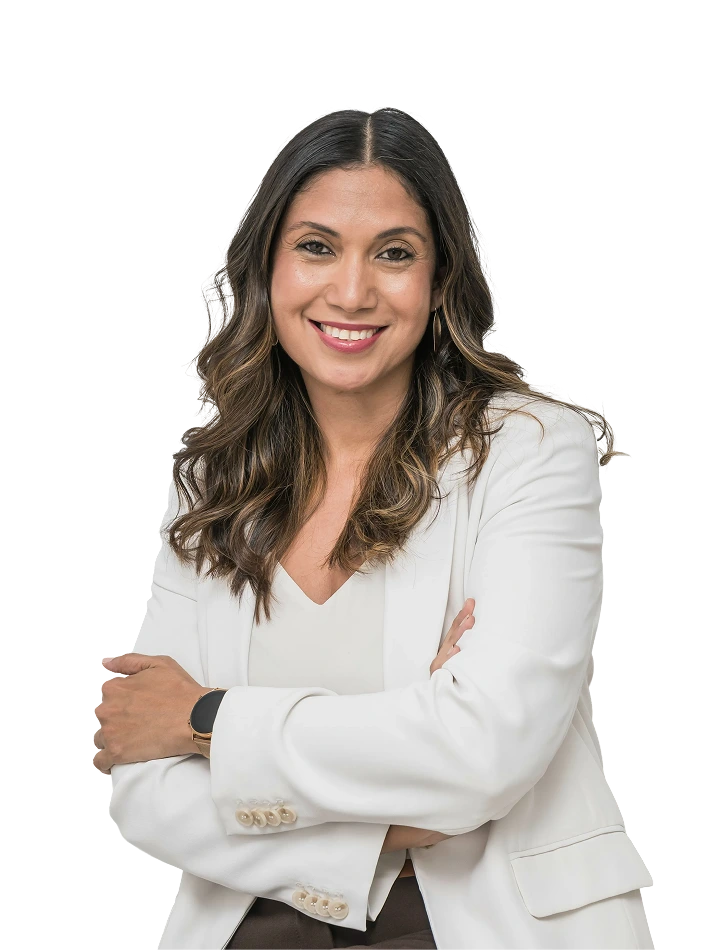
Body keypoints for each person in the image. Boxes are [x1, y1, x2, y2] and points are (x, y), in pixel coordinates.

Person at [93, 108, 655, 949]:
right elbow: (139, 782)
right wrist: (390, 817)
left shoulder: (530, 450)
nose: (352, 292)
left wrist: (206, 719)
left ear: (440, 279)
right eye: (317, 247)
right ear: (268, 268)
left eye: (394, 253)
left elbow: (483, 752)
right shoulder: (214, 481)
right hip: (251, 929)